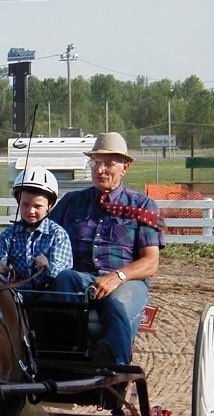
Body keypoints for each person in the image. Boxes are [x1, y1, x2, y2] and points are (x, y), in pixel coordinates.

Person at [49, 132, 165, 364]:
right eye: (95, 162)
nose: (100, 169)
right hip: (81, 278)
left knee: (118, 306)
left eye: (108, 163)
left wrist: (117, 276)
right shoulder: (71, 202)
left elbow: (150, 263)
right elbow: (47, 236)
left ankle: (114, 370)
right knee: (64, 280)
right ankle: (62, 359)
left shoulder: (142, 205)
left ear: (125, 167)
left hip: (126, 283)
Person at [0, 166, 73, 289]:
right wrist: (0, 269)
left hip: (51, 297)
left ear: (49, 205)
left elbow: (64, 274)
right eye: (25, 204)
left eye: (37, 206)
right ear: (18, 202)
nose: (30, 211)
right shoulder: (7, 236)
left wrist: (48, 266)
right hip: (16, 297)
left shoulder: (58, 235)